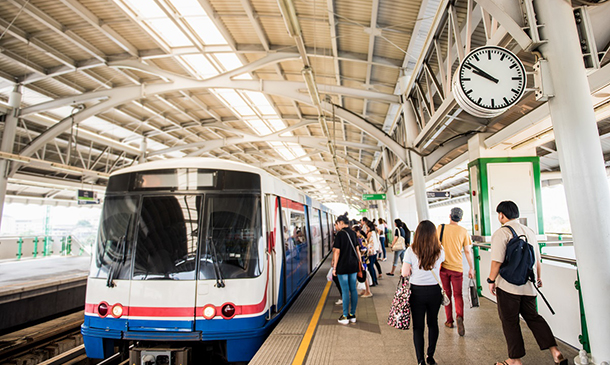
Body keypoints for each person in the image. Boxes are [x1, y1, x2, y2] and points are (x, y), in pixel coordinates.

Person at [488, 201, 566, 365]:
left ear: (502, 215)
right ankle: (555, 351)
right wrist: (538, 278)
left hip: (508, 286)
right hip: (528, 286)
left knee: (510, 321)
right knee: (534, 318)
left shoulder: (501, 233)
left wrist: (491, 280)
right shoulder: (529, 231)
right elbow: (537, 259)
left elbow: (496, 261)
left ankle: (514, 359)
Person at [401, 220, 445, 365]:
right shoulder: (440, 250)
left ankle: (420, 361)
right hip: (434, 291)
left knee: (418, 327)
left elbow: (405, 272)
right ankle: (430, 356)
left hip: (417, 291)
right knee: (433, 323)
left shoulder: (411, 250)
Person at [437, 207, 475, 336]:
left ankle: (449, 320)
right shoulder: (464, 231)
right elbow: (468, 251)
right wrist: (471, 268)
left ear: (450, 216)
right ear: (461, 218)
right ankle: (460, 317)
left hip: (443, 267)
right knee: (458, 295)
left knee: (446, 294)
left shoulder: (441, 228)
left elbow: (435, 246)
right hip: (457, 268)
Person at [332, 213, 362, 325]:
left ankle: (345, 316)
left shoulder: (340, 234)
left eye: (337, 224)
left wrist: (334, 267)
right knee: (353, 289)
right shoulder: (353, 233)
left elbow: (337, 252)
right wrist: (360, 264)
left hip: (343, 266)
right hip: (353, 265)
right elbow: (357, 250)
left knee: (345, 291)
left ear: (340, 223)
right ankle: (352, 315)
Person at [365, 220, 381, 286]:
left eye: (367, 227)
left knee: (370, 267)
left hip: (370, 252)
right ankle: (375, 280)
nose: (366, 229)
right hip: (375, 251)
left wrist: (366, 233)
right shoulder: (375, 232)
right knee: (372, 266)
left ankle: (373, 281)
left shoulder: (370, 233)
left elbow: (366, 241)